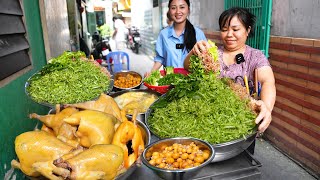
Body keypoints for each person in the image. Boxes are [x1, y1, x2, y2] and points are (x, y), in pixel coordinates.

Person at [184, 7, 276, 136]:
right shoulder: (212, 53)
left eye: (235, 29)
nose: (229, 34)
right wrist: (193, 52)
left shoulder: (255, 56)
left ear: (247, 30)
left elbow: (267, 81)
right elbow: (187, 66)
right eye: (224, 29)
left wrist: (266, 107)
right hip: (209, 120)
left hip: (241, 123)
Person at [145, 0, 207, 76]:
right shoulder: (163, 34)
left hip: (191, 84)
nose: (178, 11)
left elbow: (205, 59)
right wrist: (151, 74)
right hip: (169, 83)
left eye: (182, 7)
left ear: (188, 10)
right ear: (169, 11)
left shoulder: (198, 34)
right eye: (173, 8)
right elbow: (160, 58)